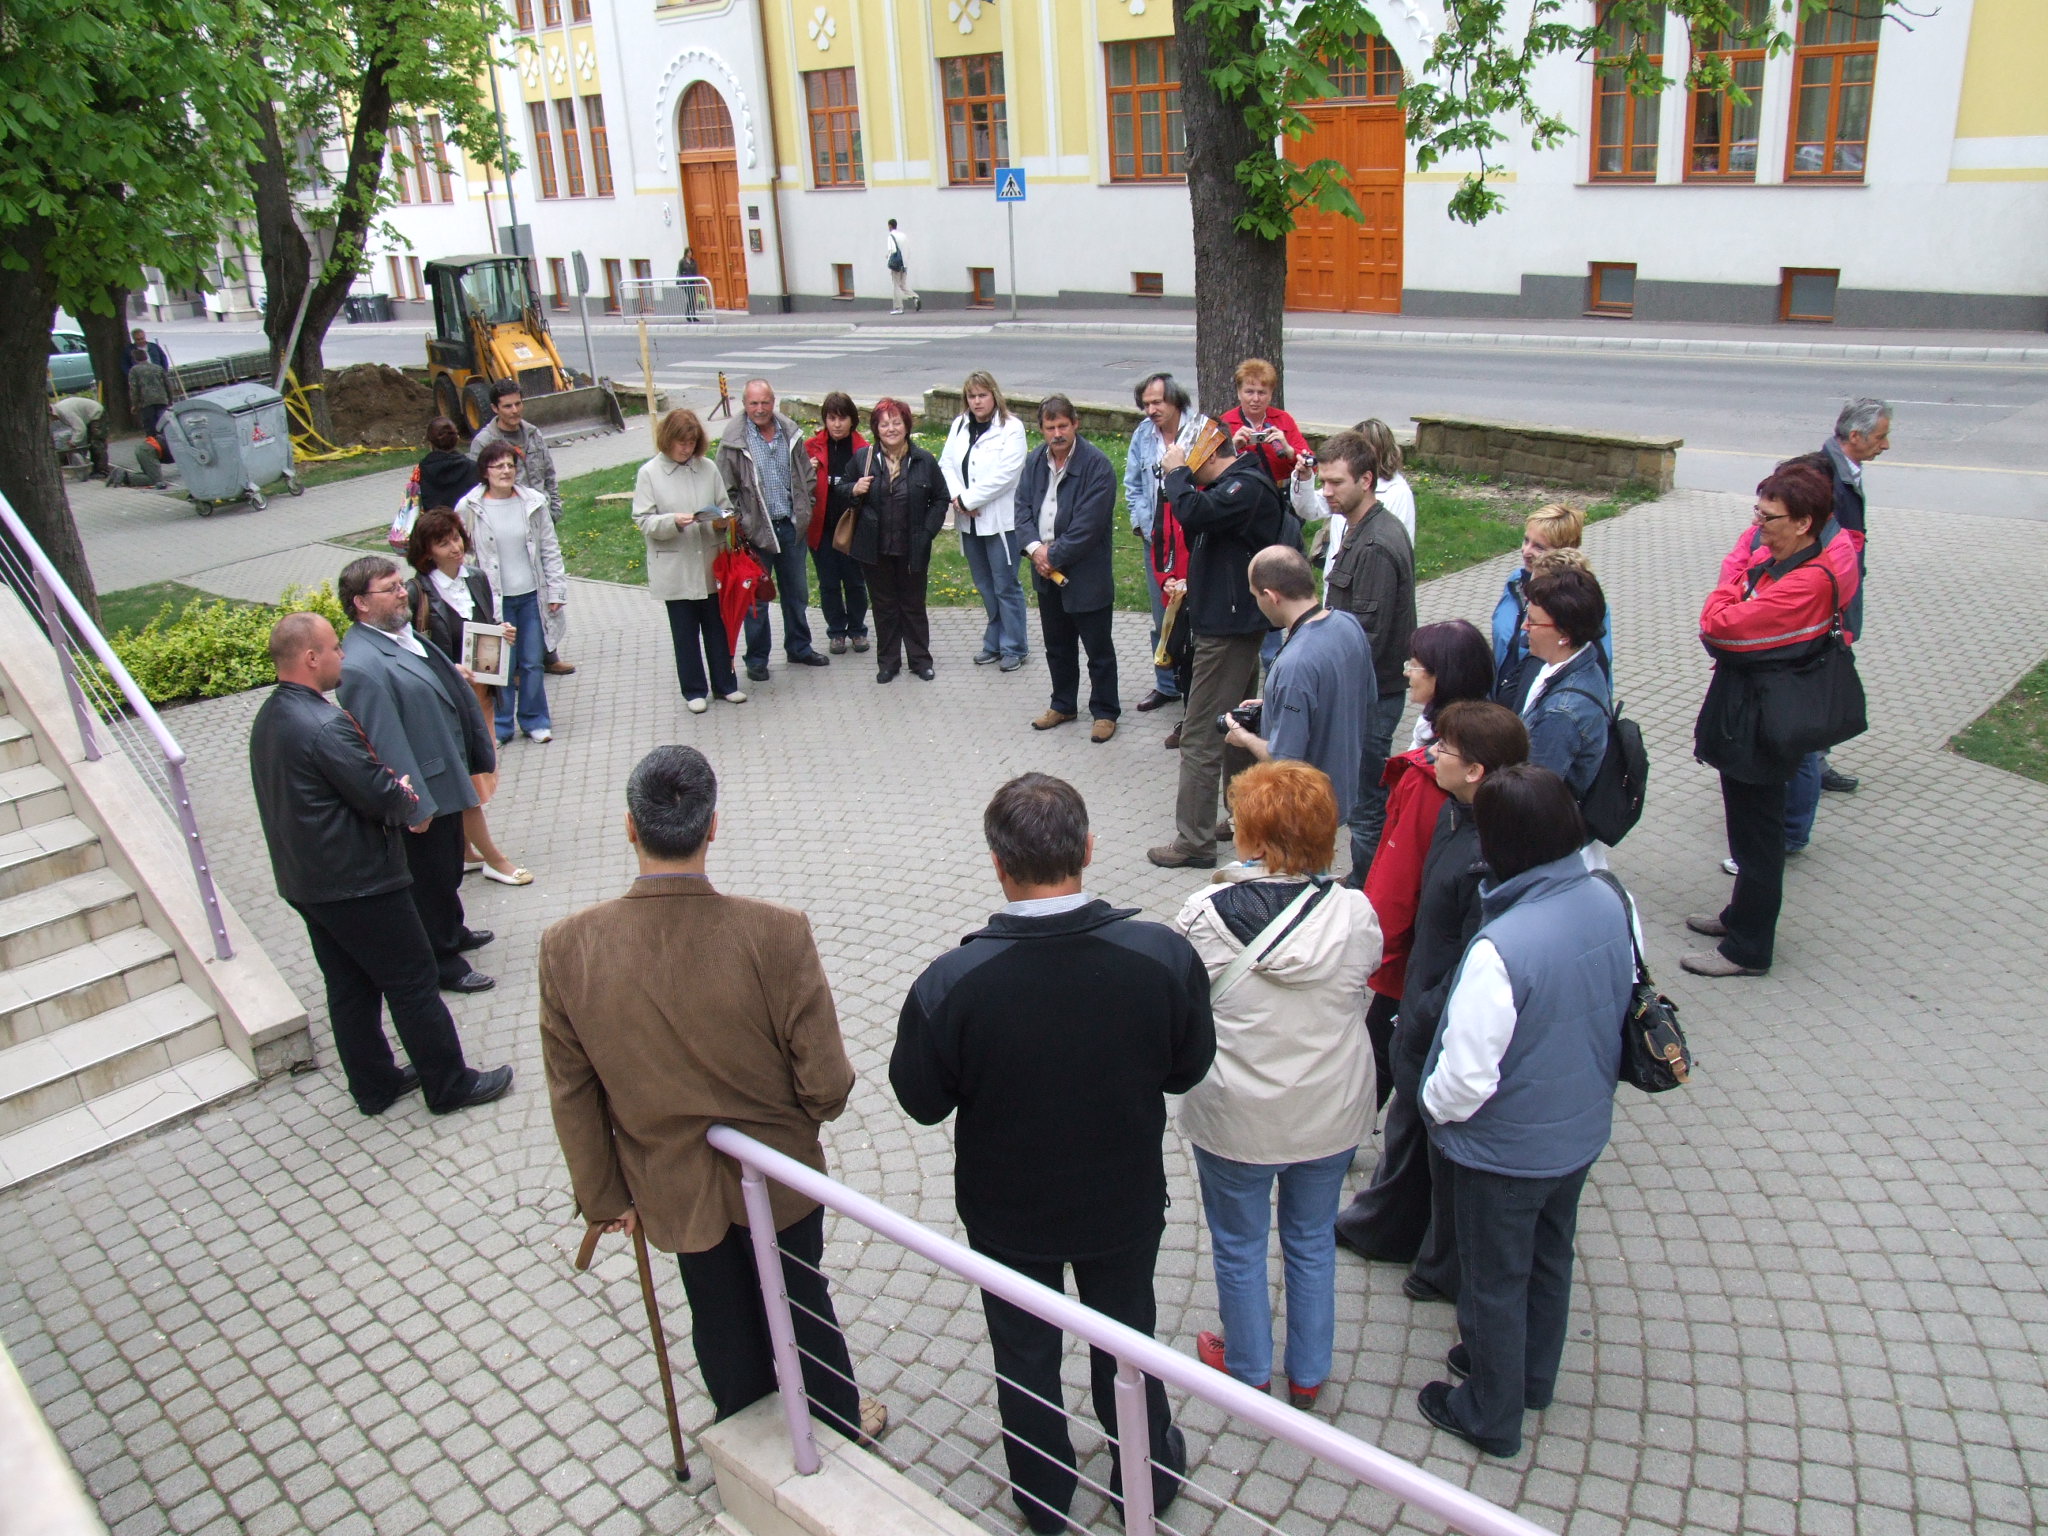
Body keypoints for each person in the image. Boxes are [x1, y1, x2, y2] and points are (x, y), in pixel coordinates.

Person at [892, 775, 1212, 1534]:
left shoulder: (952, 981)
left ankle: (1042, 1496)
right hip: (1122, 1199)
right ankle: (1147, 1475)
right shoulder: (1161, 956)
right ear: (1089, 849)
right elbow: (1186, 1068)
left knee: (1024, 1354)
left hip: (1009, 1211)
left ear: (998, 864)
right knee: (1126, 1337)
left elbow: (922, 1100)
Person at [540, 745, 884, 1445]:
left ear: (630, 827)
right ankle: (838, 1425)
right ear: (713, 826)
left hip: (670, 1184)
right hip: (779, 1175)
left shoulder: (568, 946)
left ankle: (747, 1445)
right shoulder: (776, 932)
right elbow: (826, 1087)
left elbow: (573, 1091)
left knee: (715, 1312)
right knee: (801, 1299)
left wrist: (605, 1198)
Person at [1416, 765, 1631, 1459]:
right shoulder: (1610, 899)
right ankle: (1531, 1375)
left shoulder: (1502, 947)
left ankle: (1490, 1410)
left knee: (1493, 1280)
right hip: (1579, 1129)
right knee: (1549, 1256)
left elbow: (1465, 1078)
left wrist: (1433, 1110)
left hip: (1504, 1151)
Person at [1173, 760, 1382, 1411]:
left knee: (1239, 1243)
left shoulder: (1203, 913)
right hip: (1330, 1109)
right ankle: (1310, 1372)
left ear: (1253, 837)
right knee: (1313, 1239)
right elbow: (1364, 983)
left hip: (1235, 1114)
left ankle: (1249, 1365)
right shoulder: (1355, 912)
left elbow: (1185, 1000)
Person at [249, 613, 512, 1116]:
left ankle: (374, 1085)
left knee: (350, 985)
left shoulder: (270, 717)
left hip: (307, 881)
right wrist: (403, 794)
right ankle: (449, 1085)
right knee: (413, 981)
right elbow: (382, 796)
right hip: (361, 882)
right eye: (334, 648)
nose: (342, 656)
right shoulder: (326, 725)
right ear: (310, 658)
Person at [1338, 702, 1529, 1304]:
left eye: (1444, 749)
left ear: (1476, 771)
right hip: (1423, 994)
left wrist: (1423, 1013)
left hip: (1441, 1010)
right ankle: (1397, 1230)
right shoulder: (1457, 815)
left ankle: (1436, 1262)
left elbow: (1478, 954)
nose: (1431, 755)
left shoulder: (1490, 852)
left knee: (1433, 1134)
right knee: (1411, 1127)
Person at [1685, 459, 1859, 979]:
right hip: (1750, 712)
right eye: (1757, 513)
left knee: (1759, 840)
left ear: (1803, 523)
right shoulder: (1777, 563)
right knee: (1744, 828)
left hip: (1766, 724)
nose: (1757, 525)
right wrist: (1737, 588)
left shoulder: (1806, 581)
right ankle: (1739, 917)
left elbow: (1720, 627)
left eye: (1768, 517)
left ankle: (1748, 950)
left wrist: (1727, 589)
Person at [334, 557, 500, 995]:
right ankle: (443, 961)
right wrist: (413, 804)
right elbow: (384, 741)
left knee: (447, 867)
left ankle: (453, 930)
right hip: (423, 789)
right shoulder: (360, 664)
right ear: (361, 603)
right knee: (429, 878)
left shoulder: (398, 635)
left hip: (443, 773)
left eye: (399, 584)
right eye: (389, 588)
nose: (402, 593)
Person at [1358, 620, 1495, 1108]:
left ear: (1443, 677)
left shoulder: (1429, 776)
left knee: (1385, 1042)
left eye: (1416, 664)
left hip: (1420, 943)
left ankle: (1356, 1126)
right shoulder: (1491, 734)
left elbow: (1401, 871)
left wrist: (1373, 944)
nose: (1407, 671)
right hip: (1457, 929)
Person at [1147, 424, 1289, 869]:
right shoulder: (1237, 485)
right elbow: (1206, 526)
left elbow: (1192, 512)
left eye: (1191, 459)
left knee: (1200, 736)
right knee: (1234, 729)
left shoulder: (1244, 487)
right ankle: (1243, 818)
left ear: (1208, 456)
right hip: (1231, 622)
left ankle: (1194, 841)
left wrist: (1176, 474)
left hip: (1227, 631)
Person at [402, 508, 533, 887]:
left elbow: (482, 628)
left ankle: (465, 851)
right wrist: (446, 670)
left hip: (480, 692)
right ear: (427, 551)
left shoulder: (475, 578)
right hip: (446, 700)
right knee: (467, 781)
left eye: (456, 537)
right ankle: (494, 859)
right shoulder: (417, 592)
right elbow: (412, 649)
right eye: (443, 543)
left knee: (481, 769)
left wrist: (501, 633)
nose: (455, 547)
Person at [1315, 430, 1416, 882]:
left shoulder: (1375, 545)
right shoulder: (1363, 528)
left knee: (1366, 803)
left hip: (1372, 696)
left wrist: (1326, 687)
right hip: (1368, 691)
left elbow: (1364, 640)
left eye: (1336, 482)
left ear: (1367, 480)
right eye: (1323, 481)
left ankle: (1369, 890)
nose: (1326, 491)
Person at [1223, 547, 1373, 843]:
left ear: (1272, 596)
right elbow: (1358, 695)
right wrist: (1276, 703)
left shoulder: (1295, 664)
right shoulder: (1348, 625)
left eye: (1255, 596)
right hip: (1344, 790)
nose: (1257, 604)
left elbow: (1283, 758)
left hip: (1302, 813)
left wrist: (1244, 737)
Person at [1018, 395, 1120, 742]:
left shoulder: (1097, 465)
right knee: (1057, 646)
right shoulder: (1035, 460)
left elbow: (1088, 526)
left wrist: (1052, 555)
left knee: (1098, 650)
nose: (1057, 433)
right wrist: (1035, 550)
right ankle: (1063, 704)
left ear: (1076, 424)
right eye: (1050, 427)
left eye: (1063, 426)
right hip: (1046, 574)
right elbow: (1021, 509)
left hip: (1086, 575)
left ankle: (1105, 711)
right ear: (1041, 429)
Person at [634, 408, 745, 713]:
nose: (686, 448)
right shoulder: (649, 473)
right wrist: (672, 521)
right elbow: (643, 520)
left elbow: (725, 506)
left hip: (710, 563)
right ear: (667, 440)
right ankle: (694, 690)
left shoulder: (708, 468)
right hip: (676, 568)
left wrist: (722, 520)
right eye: (681, 442)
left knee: (717, 629)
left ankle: (726, 684)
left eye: (692, 442)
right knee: (685, 634)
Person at [455, 441, 565, 744]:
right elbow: (463, 555)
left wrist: (556, 591)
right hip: (493, 601)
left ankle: (535, 720)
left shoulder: (533, 502)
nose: (506, 471)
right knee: (496, 664)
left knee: (532, 662)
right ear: (485, 471)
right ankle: (500, 726)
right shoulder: (469, 507)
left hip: (530, 596)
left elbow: (549, 548)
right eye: (498, 466)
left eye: (510, 465)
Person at [1806, 397, 1889, 798]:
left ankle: (1812, 761)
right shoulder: (1825, 478)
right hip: (1828, 607)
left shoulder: (1843, 472)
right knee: (1820, 681)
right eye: (1880, 437)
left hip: (1838, 601)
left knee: (1826, 680)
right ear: (1855, 436)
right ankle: (1810, 765)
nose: (1885, 445)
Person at [717, 378, 827, 681]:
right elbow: (724, 489)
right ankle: (757, 659)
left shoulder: (789, 432)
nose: (760, 409)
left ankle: (799, 648)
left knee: (797, 594)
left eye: (765, 402)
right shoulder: (733, 441)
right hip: (756, 534)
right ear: (744, 404)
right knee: (757, 600)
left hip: (790, 528)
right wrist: (743, 522)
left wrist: (805, 507)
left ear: (773, 401)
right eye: (754, 403)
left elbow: (806, 475)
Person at [468, 380, 575, 674]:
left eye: (518, 403)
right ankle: (511, 665)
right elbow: (476, 486)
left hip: (535, 518)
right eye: (507, 406)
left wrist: (554, 507)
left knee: (541, 584)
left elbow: (549, 474)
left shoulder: (533, 433)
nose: (515, 410)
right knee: (512, 589)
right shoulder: (483, 441)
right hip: (502, 524)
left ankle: (548, 653)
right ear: (494, 408)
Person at [848, 397, 948, 682]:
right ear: (876, 429)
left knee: (913, 605)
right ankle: (888, 663)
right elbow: (842, 491)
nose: (890, 429)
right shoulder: (863, 459)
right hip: (874, 548)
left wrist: (927, 532)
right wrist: (853, 489)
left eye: (896, 423)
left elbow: (940, 498)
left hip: (912, 546)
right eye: (884, 424)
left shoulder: (924, 460)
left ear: (906, 426)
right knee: (884, 607)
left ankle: (920, 660)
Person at [1125, 373, 1208, 715]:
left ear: (1175, 400)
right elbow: (1133, 485)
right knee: (1162, 616)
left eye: (1157, 402)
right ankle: (1166, 684)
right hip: (1157, 540)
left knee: (1196, 617)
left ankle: (1198, 690)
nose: (1151, 410)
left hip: (1193, 539)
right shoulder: (1142, 435)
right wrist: (1146, 527)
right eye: (1146, 404)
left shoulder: (1200, 431)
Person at [938, 371, 1030, 671]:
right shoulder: (960, 425)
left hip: (1001, 522)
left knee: (1005, 584)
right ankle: (994, 641)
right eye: (971, 396)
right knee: (984, 585)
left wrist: (970, 500)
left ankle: (1014, 645)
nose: (977, 401)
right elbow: (946, 464)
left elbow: (1007, 474)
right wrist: (959, 498)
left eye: (982, 395)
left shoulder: (1012, 428)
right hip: (969, 520)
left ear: (994, 395)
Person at [1491, 505, 1612, 706]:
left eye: (1539, 547)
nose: (1526, 551)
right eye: (1526, 540)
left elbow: (1598, 667)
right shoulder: (1515, 582)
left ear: (1565, 551)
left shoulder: (1582, 603)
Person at [1516, 566, 1611, 805]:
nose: (1524, 627)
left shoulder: (1561, 714)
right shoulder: (1584, 662)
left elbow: (1534, 797)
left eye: (1533, 622)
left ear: (1565, 635)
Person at [1293, 416, 1417, 562]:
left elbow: (1395, 548)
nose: (1328, 491)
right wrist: (1304, 479)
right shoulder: (1344, 485)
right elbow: (1308, 509)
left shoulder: (1397, 493)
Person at [803, 391, 872, 655]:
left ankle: (857, 630)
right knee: (829, 583)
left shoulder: (863, 449)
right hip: (821, 527)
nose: (837, 424)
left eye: (842, 418)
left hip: (853, 526)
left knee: (855, 581)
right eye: (832, 418)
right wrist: (808, 472)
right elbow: (797, 486)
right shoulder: (811, 447)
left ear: (852, 420)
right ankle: (836, 632)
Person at [1217, 358, 1308, 485]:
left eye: (1262, 393)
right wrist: (1232, 448)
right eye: (1249, 392)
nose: (1255, 399)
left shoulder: (1283, 419)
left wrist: (1289, 451)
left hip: (1278, 493)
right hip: (1241, 493)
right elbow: (1209, 473)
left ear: (1270, 394)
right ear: (1239, 393)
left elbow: (1311, 465)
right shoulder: (1225, 423)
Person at [417, 417, 481, 511]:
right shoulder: (473, 469)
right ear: (457, 438)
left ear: (430, 441)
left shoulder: (421, 472)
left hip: (434, 519)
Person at [50, 395, 108, 478]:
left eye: (51, 419)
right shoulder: (60, 411)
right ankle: (96, 470)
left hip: (96, 413)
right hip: (89, 417)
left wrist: (73, 442)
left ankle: (102, 471)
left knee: (96, 443)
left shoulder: (65, 412)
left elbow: (80, 428)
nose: (52, 421)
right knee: (90, 443)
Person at [126, 347, 171, 435]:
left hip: (146, 401)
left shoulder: (134, 370)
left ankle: (154, 440)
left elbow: (134, 389)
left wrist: (135, 404)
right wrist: (170, 398)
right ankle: (166, 438)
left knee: (150, 425)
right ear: (146, 356)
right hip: (161, 399)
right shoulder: (158, 368)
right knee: (164, 422)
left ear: (135, 359)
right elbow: (167, 384)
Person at [884, 219, 921, 314]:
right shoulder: (903, 236)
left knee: (896, 285)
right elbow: (908, 250)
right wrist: (905, 263)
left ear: (890, 226)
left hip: (896, 264)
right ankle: (915, 297)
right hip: (904, 264)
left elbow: (892, 250)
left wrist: (888, 258)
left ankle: (898, 308)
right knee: (903, 284)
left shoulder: (891, 236)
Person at [676, 248, 703, 320]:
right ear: (686, 253)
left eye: (691, 252)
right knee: (690, 297)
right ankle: (688, 314)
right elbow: (680, 273)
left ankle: (692, 315)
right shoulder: (682, 262)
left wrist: (698, 282)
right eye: (688, 252)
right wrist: (682, 283)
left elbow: (695, 272)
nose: (690, 254)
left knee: (692, 298)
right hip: (685, 282)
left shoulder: (693, 262)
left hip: (692, 281)